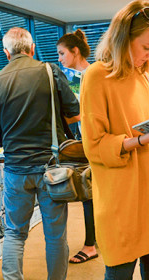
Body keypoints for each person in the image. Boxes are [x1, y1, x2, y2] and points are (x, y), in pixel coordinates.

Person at [80, 0, 149, 280]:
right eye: (146, 47)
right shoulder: (96, 77)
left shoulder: (142, 76)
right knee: (120, 272)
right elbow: (94, 146)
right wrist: (142, 140)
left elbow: (141, 123)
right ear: (122, 39)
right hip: (123, 195)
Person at [0, 27, 80, 280]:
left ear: (6, 53)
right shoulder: (49, 72)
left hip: (15, 169)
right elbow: (74, 111)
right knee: (55, 234)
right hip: (51, 169)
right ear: (32, 48)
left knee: (14, 232)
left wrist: (11, 143)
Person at [56, 30, 98, 264]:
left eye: (62, 53)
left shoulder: (92, 75)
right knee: (90, 192)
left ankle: (90, 245)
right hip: (86, 141)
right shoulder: (78, 77)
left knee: (88, 193)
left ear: (75, 51)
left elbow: (86, 112)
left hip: (94, 142)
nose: (60, 58)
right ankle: (94, 240)